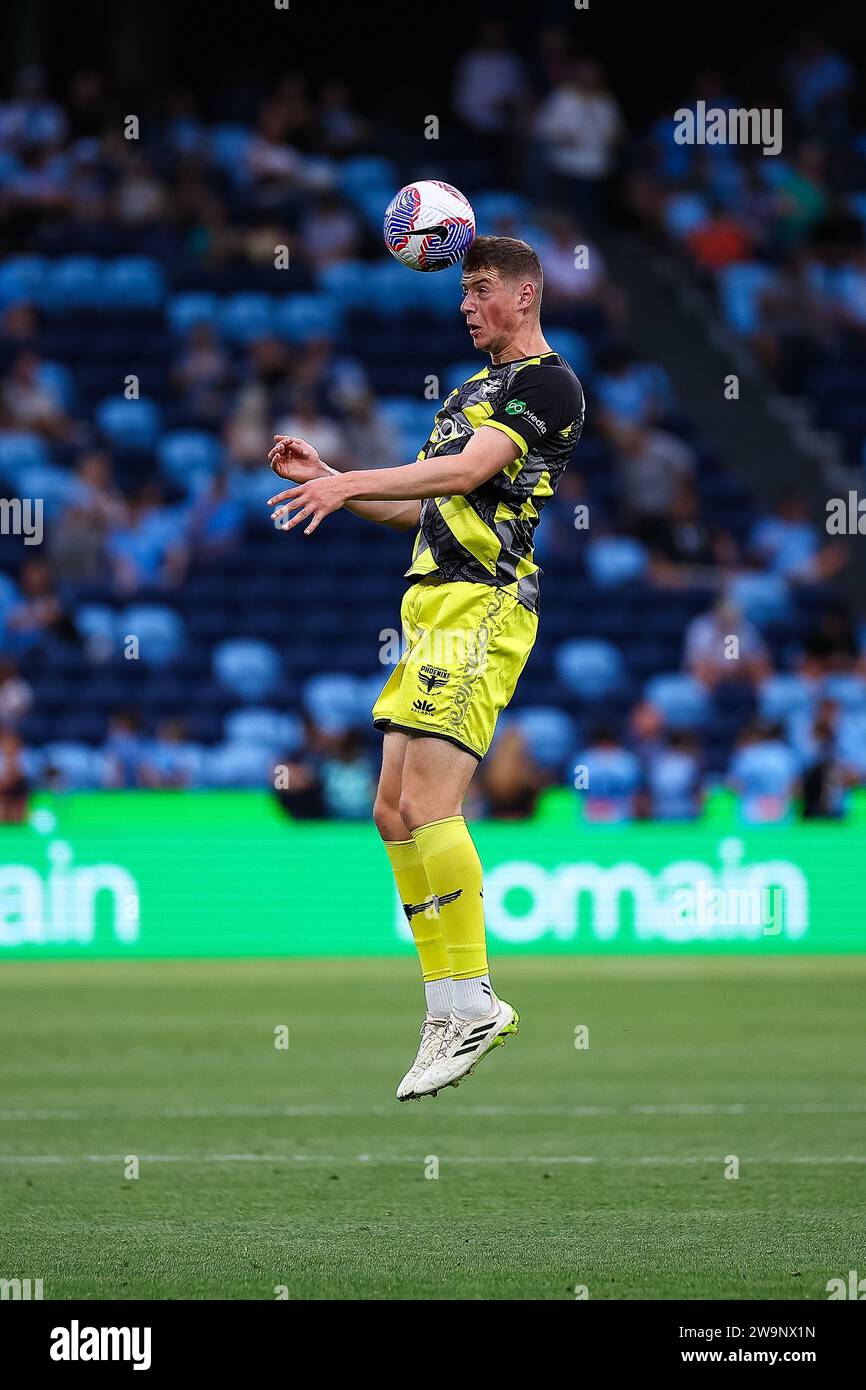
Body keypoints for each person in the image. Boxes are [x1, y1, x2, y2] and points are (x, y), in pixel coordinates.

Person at [267, 236, 584, 1101]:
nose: (466, 305)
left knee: (430, 805)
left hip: (483, 604)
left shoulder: (547, 384)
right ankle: (447, 1002)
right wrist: (333, 479)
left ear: (526, 294)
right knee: (390, 813)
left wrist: (348, 478)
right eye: (463, 293)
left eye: (482, 290)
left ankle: (473, 997)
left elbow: (476, 468)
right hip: (429, 606)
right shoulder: (470, 390)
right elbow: (419, 501)